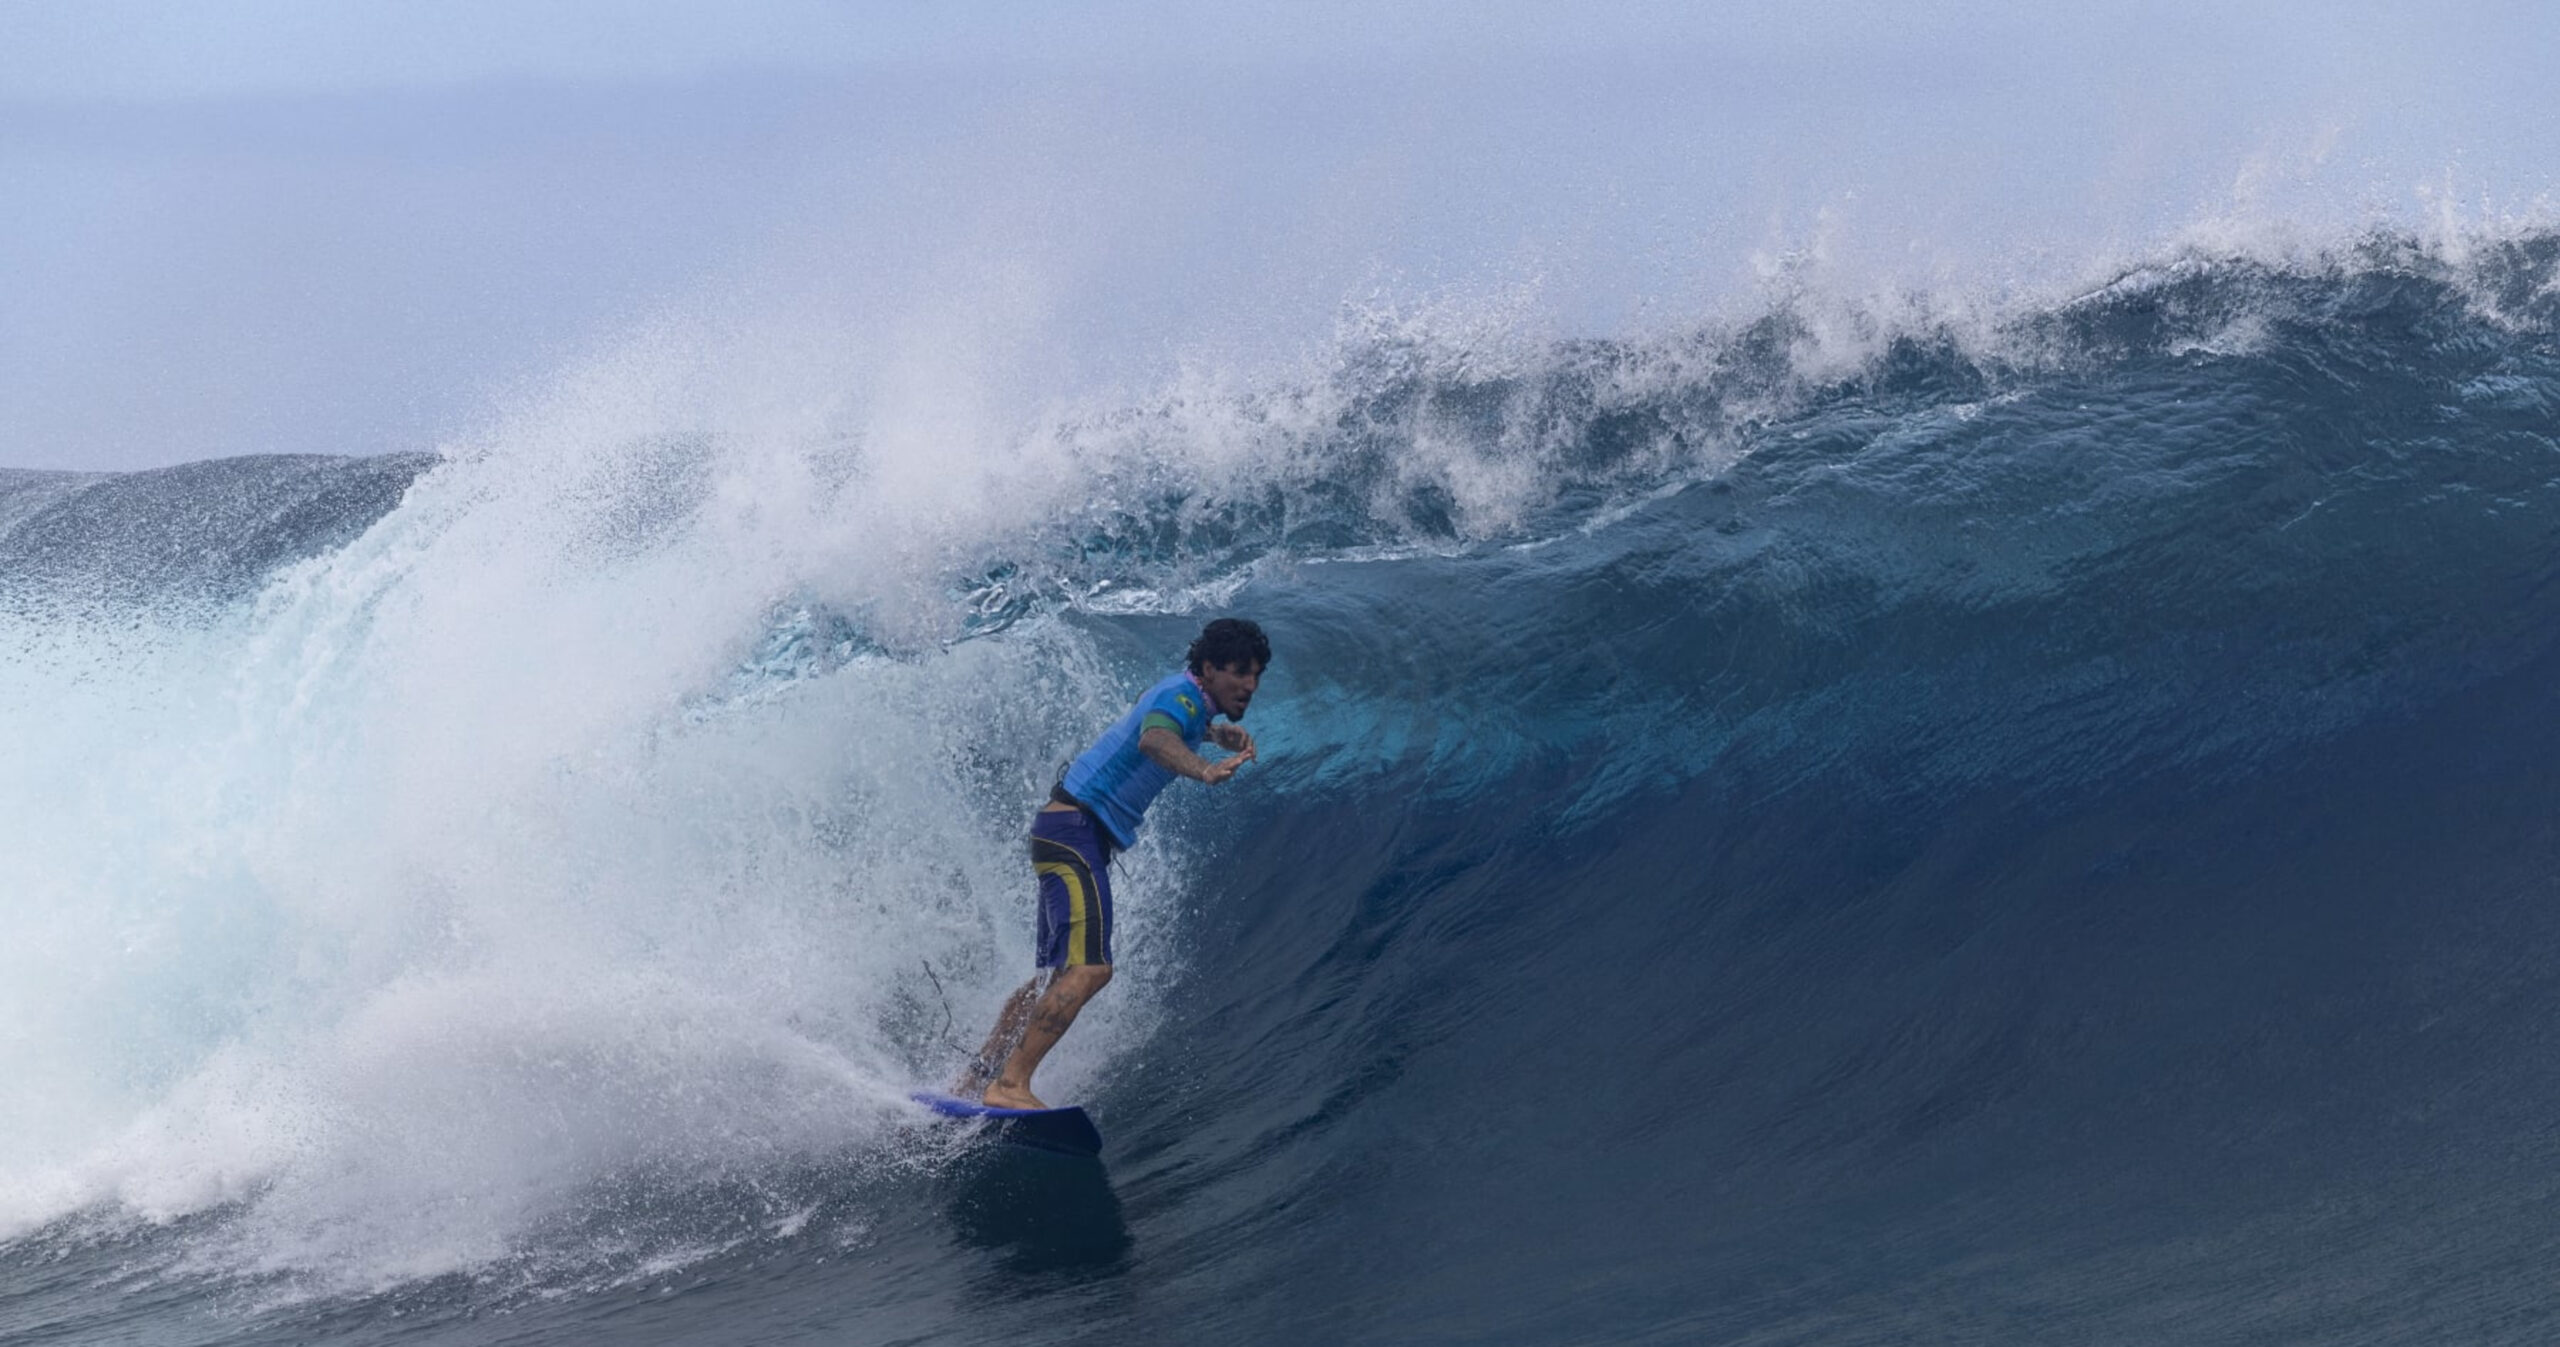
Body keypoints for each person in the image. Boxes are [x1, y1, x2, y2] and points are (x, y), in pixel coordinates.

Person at [958, 617, 1270, 1109]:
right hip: (1076, 833)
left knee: (1054, 977)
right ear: (1209, 668)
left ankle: (974, 1079)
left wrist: (1212, 736)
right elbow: (1153, 740)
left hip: (1063, 830)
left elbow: (1171, 726)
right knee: (1091, 969)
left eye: (1256, 675)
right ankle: (1010, 1085)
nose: (1250, 686)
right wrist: (1204, 769)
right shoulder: (1180, 699)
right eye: (1239, 673)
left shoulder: (1186, 700)